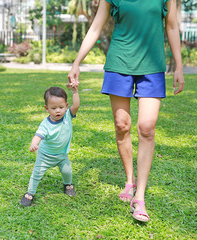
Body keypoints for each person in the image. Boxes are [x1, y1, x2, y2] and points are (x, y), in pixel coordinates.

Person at [68, 0, 184, 222]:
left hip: (152, 66)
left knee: (147, 128)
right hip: (120, 63)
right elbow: (96, 26)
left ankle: (139, 196)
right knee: (122, 125)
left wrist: (178, 66)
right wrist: (77, 62)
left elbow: (171, 26)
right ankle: (129, 180)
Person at [20, 86, 80, 207]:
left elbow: (76, 106)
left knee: (67, 171)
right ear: (47, 109)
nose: (58, 111)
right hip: (45, 156)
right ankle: (30, 193)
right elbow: (38, 135)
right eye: (53, 108)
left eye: (61, 107)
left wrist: (75, 92)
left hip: (62, 155)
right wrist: (34, 143)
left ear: (66, 106)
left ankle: (67, 184)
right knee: (36, 174)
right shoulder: (46, 124)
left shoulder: (67, 116)